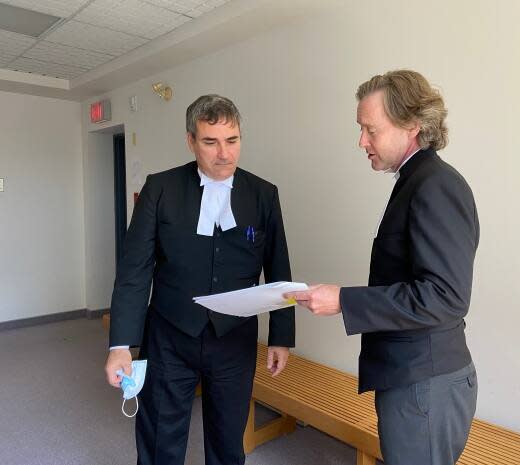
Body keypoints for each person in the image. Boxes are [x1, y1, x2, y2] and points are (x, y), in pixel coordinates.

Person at [285, 70, 479, 465]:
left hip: (424, 384)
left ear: (411, 125)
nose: (362, 141)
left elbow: (445, 297)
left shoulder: (435, 185)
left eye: (370, 129)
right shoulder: (415, 181)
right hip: (413, 380)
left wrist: (344, 300)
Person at [104, 94, 295, 465]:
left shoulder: (263, 194)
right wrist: (120, 344)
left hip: (234, 340)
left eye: (232, 140)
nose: (224, 153)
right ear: (191, 140)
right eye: (210, 142)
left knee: (227, 442)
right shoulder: (160, 190)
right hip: (170, 336)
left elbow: (278, 268)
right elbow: (134, 272)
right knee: (161, 435)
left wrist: (282, 336)